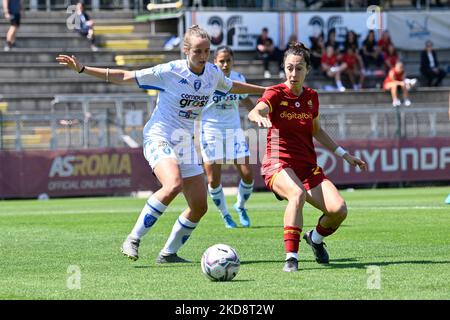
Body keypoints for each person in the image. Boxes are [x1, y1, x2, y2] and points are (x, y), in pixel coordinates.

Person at [56, 25, 266, 263]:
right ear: (186, 50)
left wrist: (266, 91)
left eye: (207, 51)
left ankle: (168, 253)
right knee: (173, 184)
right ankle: (133, 239)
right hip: (160, 135)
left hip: (184, 141)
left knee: (199, 206)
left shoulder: (213, 73)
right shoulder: (169, 71)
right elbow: (125, 76)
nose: (203, 56)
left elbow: (232, 87)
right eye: (198, 51)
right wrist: (83, 69)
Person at [247, 42, 367, 272]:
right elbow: (256, 110)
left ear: (307, 70)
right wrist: (258, 116)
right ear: (284, 68)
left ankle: (315, 239)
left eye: (299, 68)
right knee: (297, 194)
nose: (293, 73)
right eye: (289, 68)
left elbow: (317, 130)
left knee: (339, 210)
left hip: (307, 167)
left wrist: (344, 154)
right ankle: (291, 258)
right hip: (277, 163)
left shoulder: (312, 97)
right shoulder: (274, 92)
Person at [200, 46, 255, 229]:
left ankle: (240, 206)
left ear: (233, 61)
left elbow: (245, 99)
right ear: (214, 62)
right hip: (210, 130)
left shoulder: (239, 79)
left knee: (248, 175)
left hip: (233, 130)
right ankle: (225, 214)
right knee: (213, 180)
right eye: (221, 61)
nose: (224, 64)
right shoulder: (206, 78)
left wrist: (258, 114)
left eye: (228, 61)